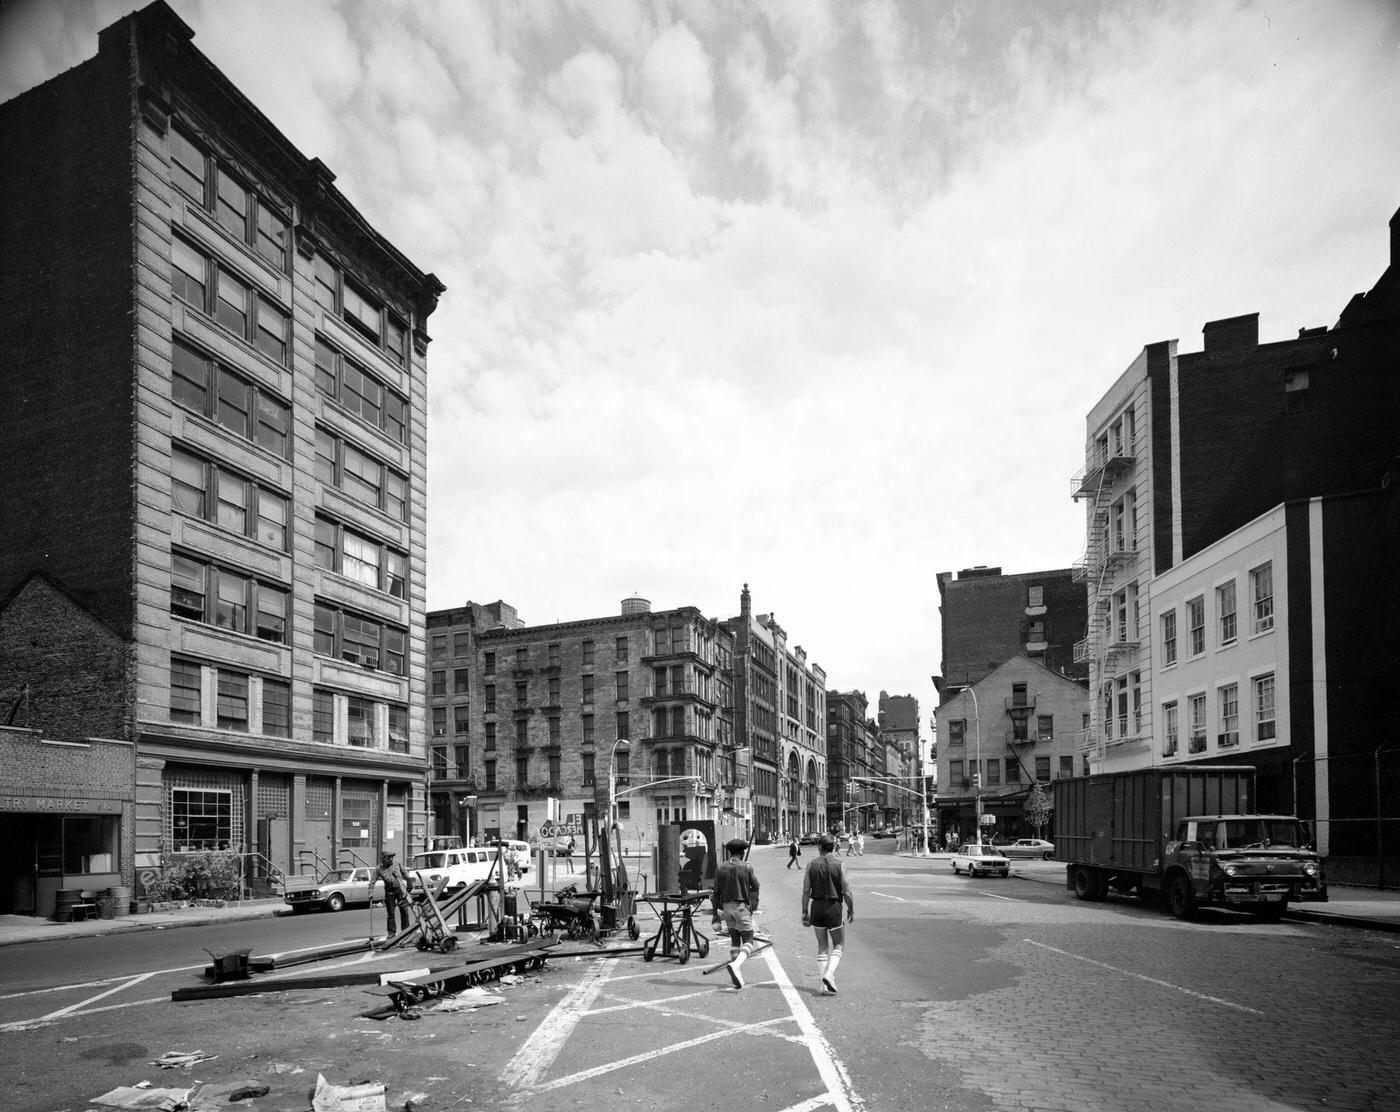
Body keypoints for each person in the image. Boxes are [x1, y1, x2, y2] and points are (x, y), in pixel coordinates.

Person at [802, 834, 854, 995]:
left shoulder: (811, 864)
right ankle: (829, 974)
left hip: (816, 905)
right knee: (839, 944)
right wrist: (851, 909)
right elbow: (847, 892)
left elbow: (805, 891)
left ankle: (823, 985)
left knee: (822, 946)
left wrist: (805, 911)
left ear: (819, 847)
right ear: (833, 848)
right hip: (834, 906)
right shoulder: (840, 865)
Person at [710, 838, 761, 990]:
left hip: (726, 908)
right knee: (749, 941)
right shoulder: (747, 867)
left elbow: (716, 893)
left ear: (729, 852)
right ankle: (736, 965)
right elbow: (756, 886)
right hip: (741, 907)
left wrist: (715, 914)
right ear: (743, 852)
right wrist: (752, 905)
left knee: (734, 941)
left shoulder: (721, 868)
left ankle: (736, 976)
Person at [376, 849, 413, 938]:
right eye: (389, 858)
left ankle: (405, 930)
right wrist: (370, 893)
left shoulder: (397, 863)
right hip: (389, 892)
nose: (391, 859)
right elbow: (372, 881)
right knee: (391, 913)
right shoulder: (379, 868)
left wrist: (409, 881)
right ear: (384, 858)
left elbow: (404, 872)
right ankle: (391, 932)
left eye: (392, 857)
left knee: (404, 911)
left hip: (400, 890)